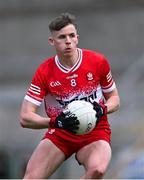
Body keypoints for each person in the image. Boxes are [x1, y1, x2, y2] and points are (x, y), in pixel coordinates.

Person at [20, 12, 120, 179]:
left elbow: (115, 99)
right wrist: (54, 122)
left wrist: (102, 109)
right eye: (62, 37)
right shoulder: (44, 72)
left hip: (96, 130)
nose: (68, 41)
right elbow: (25, 117)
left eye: (71, 35)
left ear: (77, 38)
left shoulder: (97, 62)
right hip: (61, 133)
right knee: (31, 177)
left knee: (97, 170)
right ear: (52, 41)